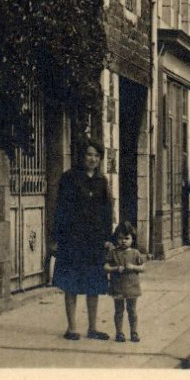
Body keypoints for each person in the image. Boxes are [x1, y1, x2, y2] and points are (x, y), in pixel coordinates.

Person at [51, 138, 113, 341]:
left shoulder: (102, 181)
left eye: (96, 155)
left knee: (93, 283)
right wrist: (57, 237)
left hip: (94, 241)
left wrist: (107, 237)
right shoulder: (69, 178)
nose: (93, 159)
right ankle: (72, 328)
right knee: (71, 283)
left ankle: (93, 327)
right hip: (72, 239)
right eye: (89, 155)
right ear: (82, 156)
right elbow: (60, 209)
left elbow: (107, 211)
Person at [104, 222, 146, 343]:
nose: (123, 241)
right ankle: (119, 333)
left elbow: (143, 267)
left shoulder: (135, 253)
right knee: (118, 310)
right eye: (120, 238)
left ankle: (134, 332)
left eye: (127, 238)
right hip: (117, 286)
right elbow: (106, 266)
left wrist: (133, 267)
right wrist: (115, 269)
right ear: (116, 239)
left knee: (132, 310)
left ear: (132, 239)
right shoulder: (113, 252)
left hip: (132, 287)